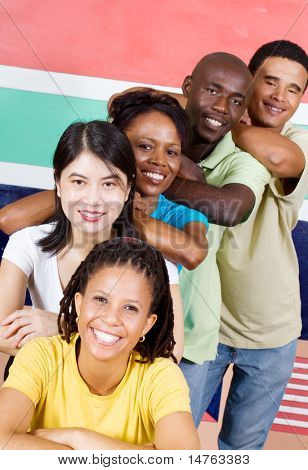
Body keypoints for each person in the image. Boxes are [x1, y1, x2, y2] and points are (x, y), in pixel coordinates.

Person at [199, 40, 308, 449]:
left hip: (270, 334)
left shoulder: (297, 141)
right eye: (271, 82)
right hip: (204, 325)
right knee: (171, 441)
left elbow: (279, 160)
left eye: (294, 89)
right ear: (249, 82)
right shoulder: (210, 131)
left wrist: (226, 120)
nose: (280, 97)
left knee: (242, 450)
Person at [0, 121, 179, 359]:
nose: (93, 199)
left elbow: (169, 355)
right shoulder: (27, 244)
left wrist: (64, 326)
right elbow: (4, 335)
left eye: (108, 184)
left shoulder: (157, 267)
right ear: (58, 183)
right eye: (79, 182)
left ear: (127, 190)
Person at [0, 238, 200, 450]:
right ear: (79, 304)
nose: (111, 318)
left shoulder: (160, 376)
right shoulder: (41, 355)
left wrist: (79, 438)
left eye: (130, 308)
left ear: (146, 325)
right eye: (101, 300)